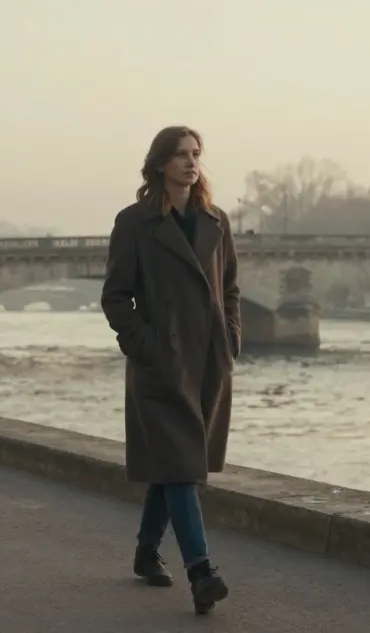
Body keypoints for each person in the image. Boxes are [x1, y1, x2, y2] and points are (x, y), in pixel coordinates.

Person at [100, 125, 241, 615]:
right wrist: (145, 347)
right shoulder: (134, 223)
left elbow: (232, 288)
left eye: (196, 154)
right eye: (180, 155)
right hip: (162, 365)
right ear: (160, 163)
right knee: (182, 466)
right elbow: (116, 296)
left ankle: (145, 550)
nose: (190, 162)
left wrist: (231, 339)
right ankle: (201, 570)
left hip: (206, 364)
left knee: (175, 464)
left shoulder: (216, 220)